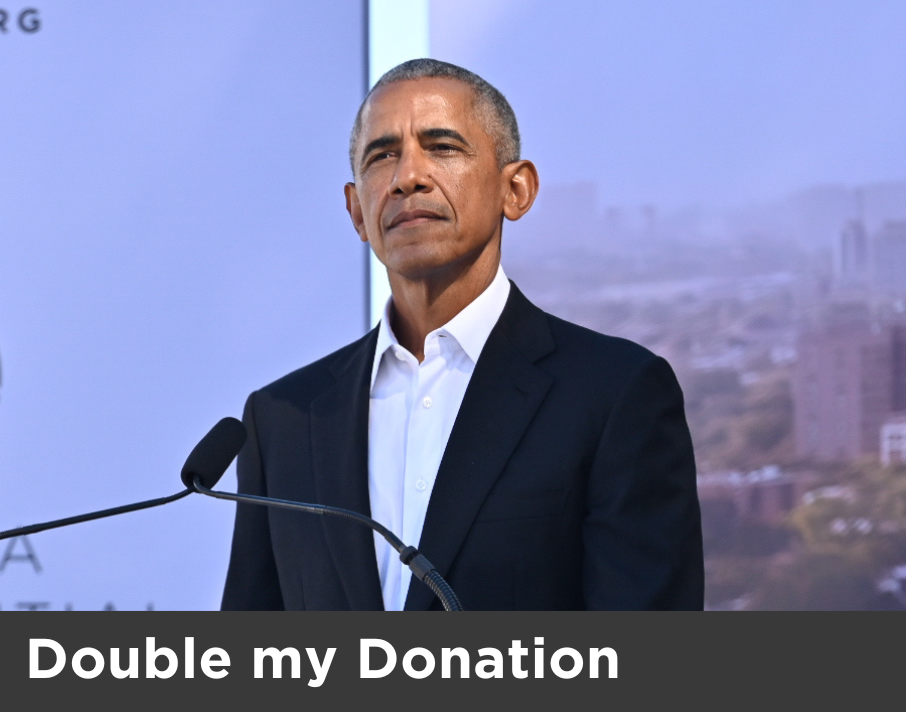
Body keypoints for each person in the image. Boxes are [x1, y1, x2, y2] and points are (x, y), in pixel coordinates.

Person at [222, 59, 703, 611]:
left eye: (442, 147)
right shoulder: (285, 418)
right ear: (357, 211)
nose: (408, 177)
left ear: (516, 190)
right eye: (383, 156)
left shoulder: (613, 395)